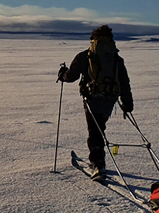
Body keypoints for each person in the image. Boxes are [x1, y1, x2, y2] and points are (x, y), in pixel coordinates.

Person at [57, 25, 133, 177]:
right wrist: (127, 104)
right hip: (110, 99)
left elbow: (71, 76)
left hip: (92, 98)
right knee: (98, 128)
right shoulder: (116, 58)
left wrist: (62, 74)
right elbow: (124, 82)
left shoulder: (86, 55)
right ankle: (97, 160)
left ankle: (98, 164)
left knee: (94, 131)